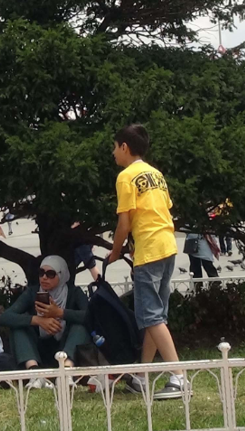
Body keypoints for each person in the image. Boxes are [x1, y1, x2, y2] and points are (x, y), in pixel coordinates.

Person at [107, 124, 185, 399]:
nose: (113, 152)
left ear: (125, 147)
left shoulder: (125, 177)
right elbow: (159, 210)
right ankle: (141, 376)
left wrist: (115, 252)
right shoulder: (156, 174)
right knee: (156, 316)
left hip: (149, 251)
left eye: (115, 147)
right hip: (167, 246)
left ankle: (178, 376)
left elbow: (124, 222)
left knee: (150, 316)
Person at [0, 255, 90, 386]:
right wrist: (37, 320)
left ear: (62, 275)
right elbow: (5, 317)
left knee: (80, 325)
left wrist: (60, 313)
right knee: (18, 327)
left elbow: (90, 316)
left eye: (50, 274)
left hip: (66, 347)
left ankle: (66, 372)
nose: (44, 278)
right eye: (41, 273)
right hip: (38, 349)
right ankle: (34, 373)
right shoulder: (32, 292)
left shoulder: (73, 293)